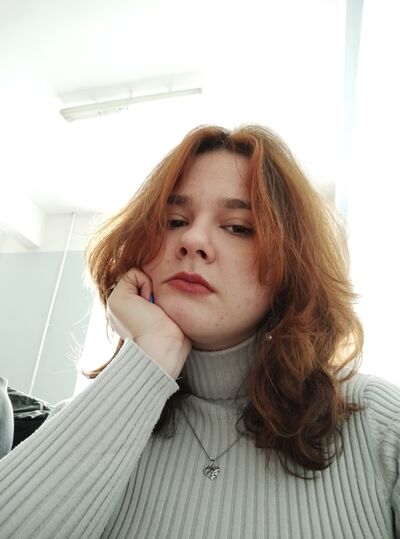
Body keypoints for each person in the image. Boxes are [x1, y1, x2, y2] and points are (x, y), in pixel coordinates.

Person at [0, 124, 399, 538]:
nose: (192, 239)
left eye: (239, 227)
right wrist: (152, 355)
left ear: (290, 267)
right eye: (174, 220)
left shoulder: (380, 423)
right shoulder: (86, 418)